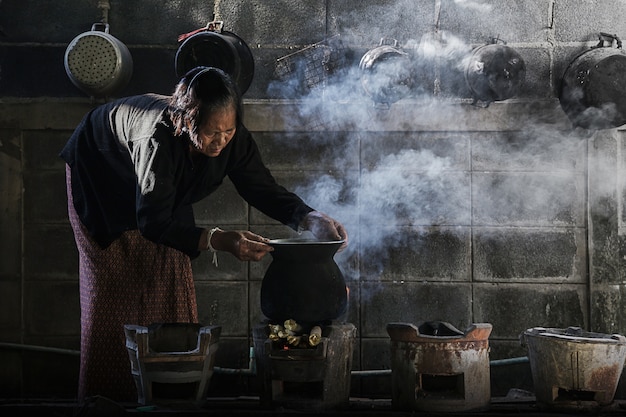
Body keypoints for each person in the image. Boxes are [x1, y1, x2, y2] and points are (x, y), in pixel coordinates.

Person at [60, 66, 348, 403]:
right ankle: (107, 400)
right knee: (116, 291)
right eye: (212, 132)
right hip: (102, 182)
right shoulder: (156, 138)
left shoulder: (230, 135)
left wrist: (308, 217)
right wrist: (218, 239)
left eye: (229, 131)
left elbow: (260, 186)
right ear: (185, 121)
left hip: (159, 193)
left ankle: (166, 395)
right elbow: (152, 221)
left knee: (170, 277)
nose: (221, 140)